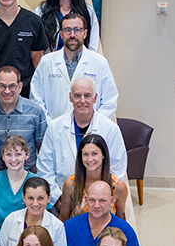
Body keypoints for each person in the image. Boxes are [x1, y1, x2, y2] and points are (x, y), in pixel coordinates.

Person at [36, 77, 127, 205]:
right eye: (77, 95)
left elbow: (117, 169)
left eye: (87, 96)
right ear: (70, 97)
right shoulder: (55, 127)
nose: (82, 101)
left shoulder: (110, 129)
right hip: (62, 201)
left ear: (95, 98)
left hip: (99, 203)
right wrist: (57, 199)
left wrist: (100, 199)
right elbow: (45, 169)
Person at [30, 14, 118, 121]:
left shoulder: (99, 62)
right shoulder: (47, 62)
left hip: (90, 131)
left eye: (77, 30)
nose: (72, 35)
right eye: (67, 30)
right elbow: (36, 99)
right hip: (53, 130)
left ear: (84, 33)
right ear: (61, 34)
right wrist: (51, 126)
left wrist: (93, 125)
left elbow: (109, 101)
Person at [64, 181, 143, 246]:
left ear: (111, 201)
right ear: (85, 200)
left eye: (102, 200)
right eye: (92, 200)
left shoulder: (125, 230)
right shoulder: (70, 226)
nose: (96, 205)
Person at [0, 66, 47, 170]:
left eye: (12, 86)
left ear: (20, 87)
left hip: (26, 175)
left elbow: (43, 149)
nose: (7, 91)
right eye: (2, 86)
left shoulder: (35, 112)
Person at [0, 135, 38, 241]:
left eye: (18, 154)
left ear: (27, 155)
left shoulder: (35, 182)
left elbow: (41, 218)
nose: (13, 159)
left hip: (26, 239)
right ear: (3, 156)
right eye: (9, 154)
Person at [0, 177, 66, 246]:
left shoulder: (57, 226)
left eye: (40, 198)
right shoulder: (11, 220)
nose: (35, 203)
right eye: (31, 198)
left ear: (49, 198)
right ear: (23, 198)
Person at [59, 134, 127, 222]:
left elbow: (121, 221)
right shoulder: (71, 184)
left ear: (103, 155)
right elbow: (64, 218)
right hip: (78, 234)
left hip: (106, 234)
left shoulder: (118, 186)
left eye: (94, 154)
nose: (90, 159)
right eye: (85, 154)